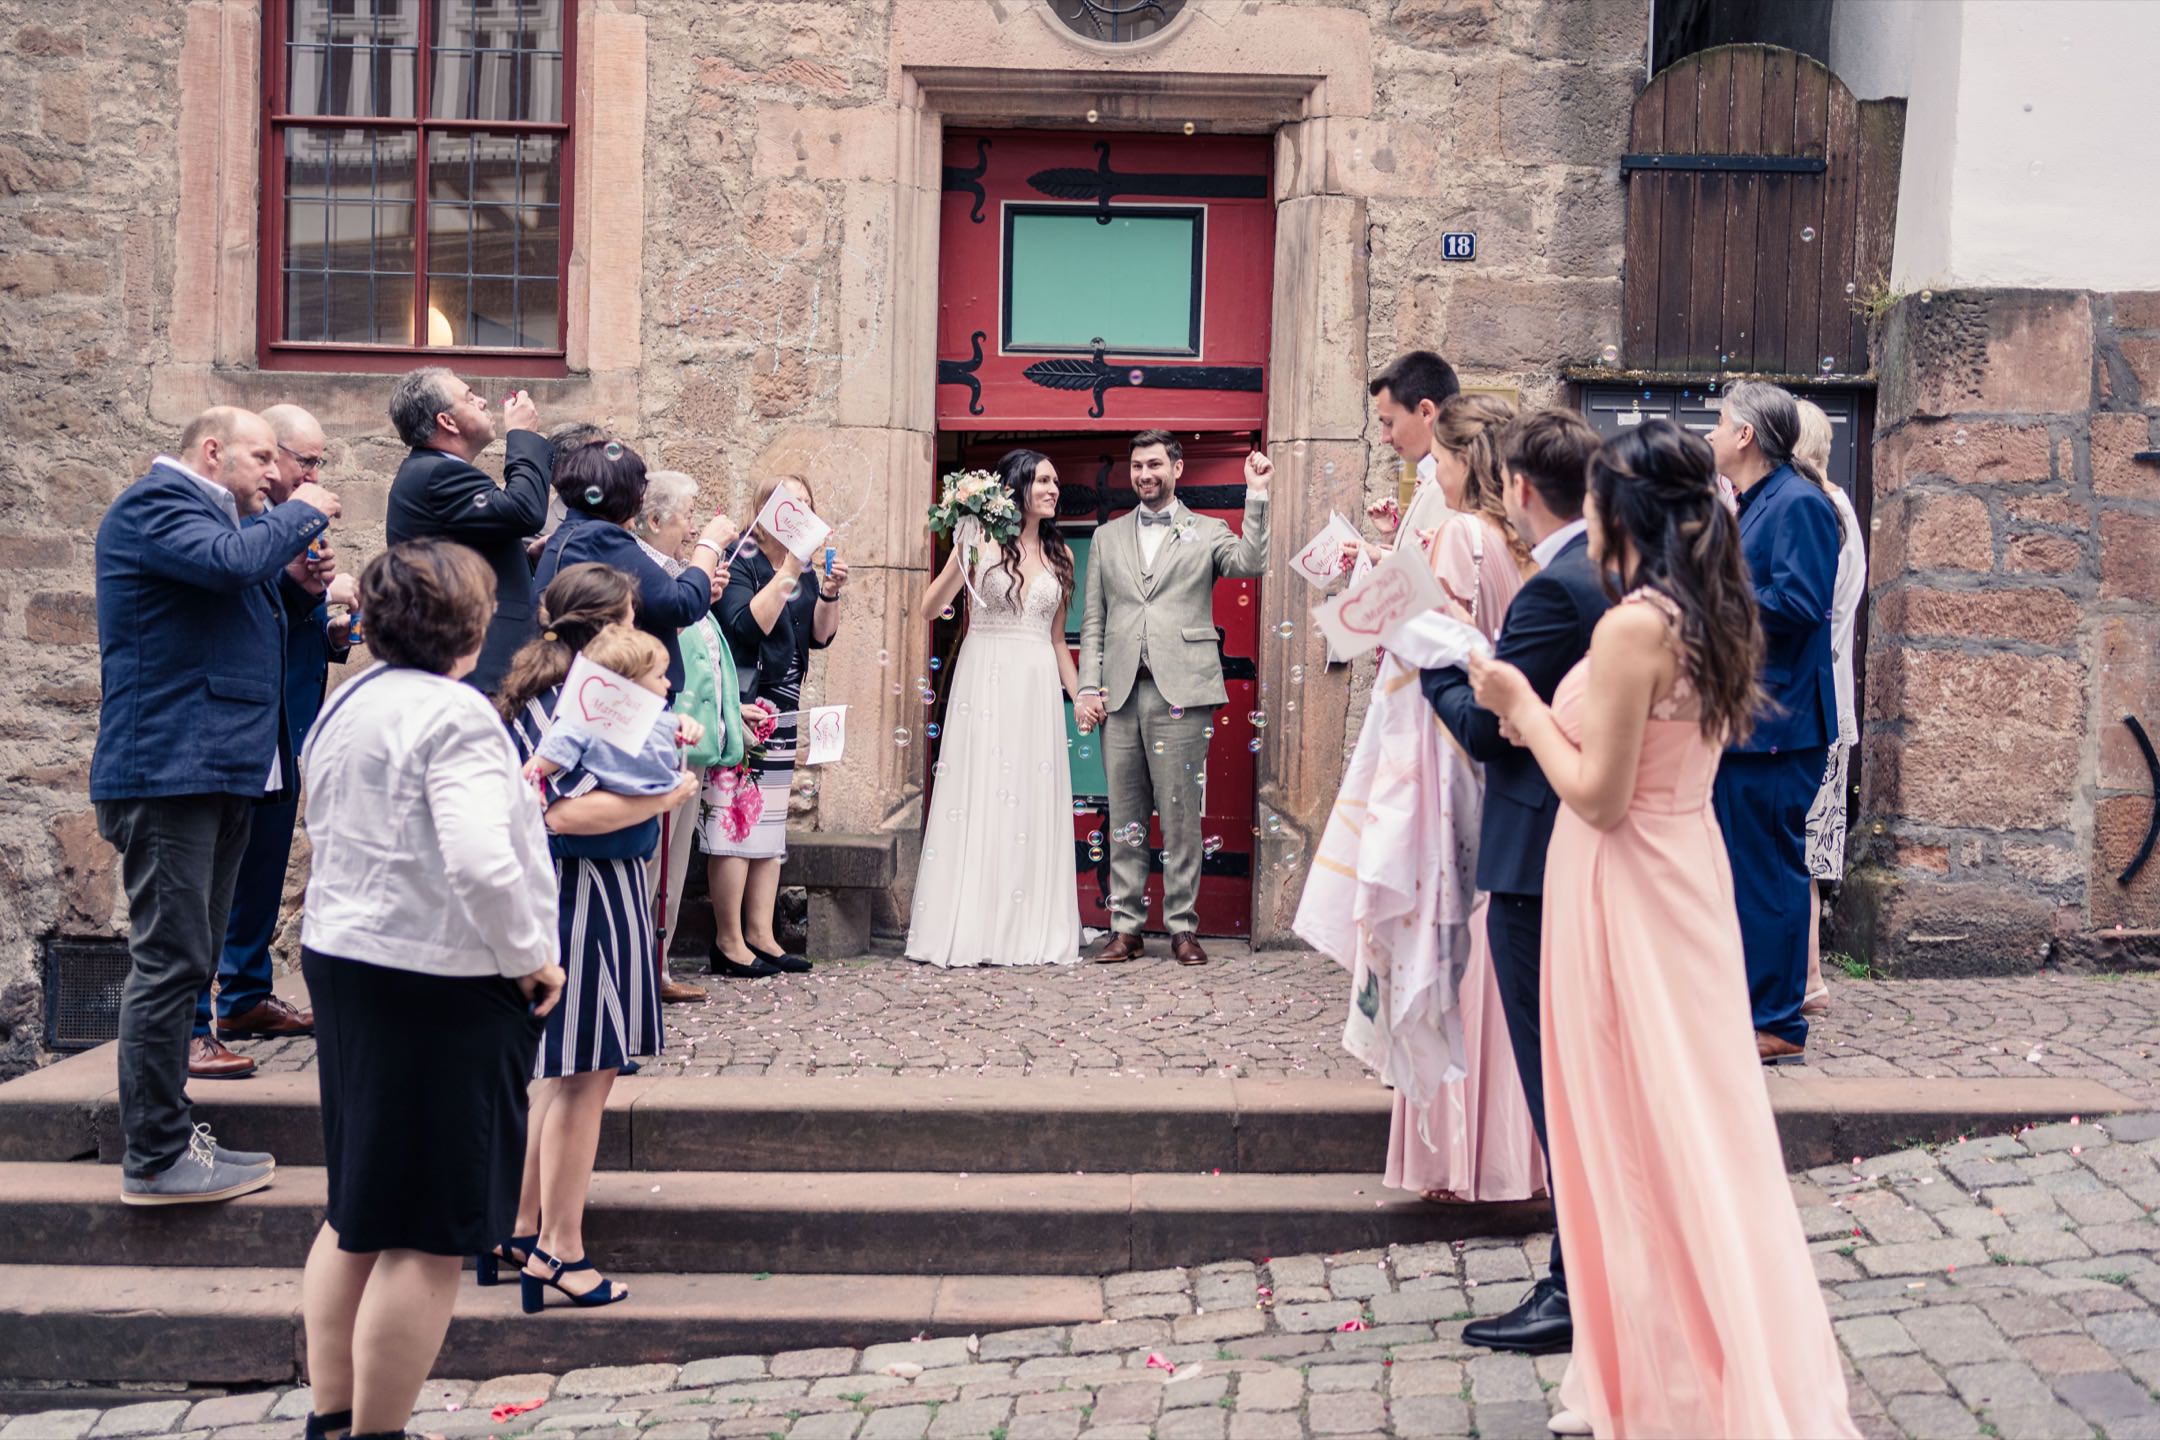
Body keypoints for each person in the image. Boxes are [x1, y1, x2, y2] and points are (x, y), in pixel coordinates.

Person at [1467, 419, 1858, 1439]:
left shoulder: (1631, 627)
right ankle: (1649, 1361)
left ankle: (1677, 1381)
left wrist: (1518, 700)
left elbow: (1597, 797)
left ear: (1619, 512)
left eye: (1595, 497)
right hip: (1683, 873)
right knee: (1691, 1123)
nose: (1584, 511)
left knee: (1627, 1133)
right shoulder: (1713, 610)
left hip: (1624, 885)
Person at [295, 539, 565, 1440]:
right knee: (430, 1231)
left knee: (358, 1210)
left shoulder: (349, 702)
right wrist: (532, 956)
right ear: (476, 626)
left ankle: (334, 1420)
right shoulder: (456, 717)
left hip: (347, 958)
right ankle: (380, 1432)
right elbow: (485, 864)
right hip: (438, 980)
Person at [1296, 395, 1541, 1208]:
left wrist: (1362, 581)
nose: (1429, 472)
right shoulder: (1520, 544)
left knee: (1445, 956)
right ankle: (1512, 1156)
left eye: (1437, 460)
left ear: (1468, 461)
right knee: (1494, 964)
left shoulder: (1463, 535)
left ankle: (1454, 1162)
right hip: (1497, 767)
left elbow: (1429, 638)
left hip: (1443, 763)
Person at [91, 406, 338, 1206]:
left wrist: (299, 595)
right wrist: (302, 515)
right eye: (262, 457)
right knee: (168, 964)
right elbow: (229, 568)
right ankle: (155, 1157)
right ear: (211, 451)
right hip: (170, 775)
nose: (276, 473)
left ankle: (172, 1134)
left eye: (280, 461)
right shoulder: (155, 504)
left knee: (190, 958)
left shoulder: (220, 522)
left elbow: (235, 606)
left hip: (219, 770)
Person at [1417, 407, 1609, 1356]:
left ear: (1523, 490)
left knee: (1556, 1084)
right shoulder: (1620, 575)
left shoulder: (1555, 590)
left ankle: (1574, 1287)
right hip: (1600, 855)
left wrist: (1437, 668)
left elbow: (1496, 731)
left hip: (1536, 863)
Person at [493, 564, 701, 1311]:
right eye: (634, 612)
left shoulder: (545, 687)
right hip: (581, 892)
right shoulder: (580, 700)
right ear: (610, 624)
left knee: (557, 1072)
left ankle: (517, 1227)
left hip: (577, 889)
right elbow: (561, 814)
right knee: (587, 1071)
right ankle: (560, 1249)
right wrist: (665, 796)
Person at [188, 403, 351, 1081]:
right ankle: (196, 1022)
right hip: (232, 727)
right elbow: (231, 591)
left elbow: (275, 616)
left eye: (319, 462)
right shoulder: (235, 522)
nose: (312, 474)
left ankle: (247, 992)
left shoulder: (274, 524)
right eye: (302, 460)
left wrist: (317, 607)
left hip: (286, 714)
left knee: (262, 862)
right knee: (208, 882)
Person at [1076, 431, 1271, 966]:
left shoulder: (1207, 531)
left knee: (1182, 816)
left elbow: (1251, 562)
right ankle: (1127, 927)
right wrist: (1086, 686)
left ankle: (1183, 927)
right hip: (1119, 693)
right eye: (1138, 466)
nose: (1145, 474)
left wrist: (1256, 495)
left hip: (1183, 687)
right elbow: (1094, 619)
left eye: (1155, 464)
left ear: (1177, 468)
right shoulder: (1108, 538)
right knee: (1125, 815)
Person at [906, 448, 1085, 968]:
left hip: (1035, 681)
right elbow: (928, 608)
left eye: (1057, 481)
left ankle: (1027, 926)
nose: (1054, 489)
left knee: (1028, 796)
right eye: (1044, 480)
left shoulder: (1062, 556)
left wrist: (1080, 697)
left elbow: (1057, 642)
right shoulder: (980, 541)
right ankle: (974, 924)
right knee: (982, 790)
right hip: (986, 676)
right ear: (1018, 488)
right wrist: (962, 547)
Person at [1705, 381, 1840, 1063]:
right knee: (1745, 868)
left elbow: (1798, 603)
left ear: (1747, 436)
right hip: (1751, 721)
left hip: (1780, 724)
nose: (1710, 433)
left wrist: (1713, 591)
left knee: (1770, 872)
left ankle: (1780, 1020)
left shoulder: (1798, 503)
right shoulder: (1756, 502)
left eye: (1719, 422)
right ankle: (1753, 1008)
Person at [628, 468, 765, 1004]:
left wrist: (735, 708)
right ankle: (639, 968)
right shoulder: (651, 577)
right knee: (654, 862)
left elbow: (708, 667)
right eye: (686, 515)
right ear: (656, 519)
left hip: (694, 744)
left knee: (675, 864)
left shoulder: (684, 578)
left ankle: (656, 967)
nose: (692, 527)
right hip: (665, 740)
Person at [710, 475, 847, 976]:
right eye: (795, 505)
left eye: (810, 505)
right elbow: (748, 625)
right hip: (746, 706)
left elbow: (818, 637)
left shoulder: (805, 569)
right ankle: (727, 942)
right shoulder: (741, 563)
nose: (804, 514)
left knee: (769, 827)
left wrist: (827, 593)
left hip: (784, 707)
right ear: (766, 509)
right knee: (737, 822)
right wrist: (790, 568)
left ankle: (762, 935)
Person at [383, 368, 553, 694]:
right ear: (447, 421)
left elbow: (473, 547)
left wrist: (525, 559)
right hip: (476, 666)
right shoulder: (438, 473)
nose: (483, 401)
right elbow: (525, 510)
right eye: (470, 396)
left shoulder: (436, 471)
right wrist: (522, 435)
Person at [534, 439, 736, 696]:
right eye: (638, 487)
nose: (641, 498)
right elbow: (682, 604)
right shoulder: (600, 536)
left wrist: (702, 590)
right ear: (623, 492)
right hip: (616, 696)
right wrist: (709, 546)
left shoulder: (573, 532)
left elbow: (651, 617)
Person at [1796, 400, 1865, 1017]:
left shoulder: (1824, 511)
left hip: (1817, 704)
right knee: (1806, 846)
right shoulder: (1831, 506)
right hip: (1826, 699)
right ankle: (1808, 975)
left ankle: (1810, 976)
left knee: (1804, 846)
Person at [526, 623, 694, 795]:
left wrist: (684, 727)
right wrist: (529, 779)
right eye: (659, 676)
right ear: (629, 682)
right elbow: (545, 759)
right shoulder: (585, 724)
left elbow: (673, 727)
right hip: (613, 811)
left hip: (658, 801)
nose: (668, 683)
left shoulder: (648, 717)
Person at [1361, 351, 1462, 558]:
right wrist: (1390, 542)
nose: (1385, 437)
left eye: (1389, 423)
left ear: (1426, 412)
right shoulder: (1431, 475)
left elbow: (1436, 578)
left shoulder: (1451, 485)